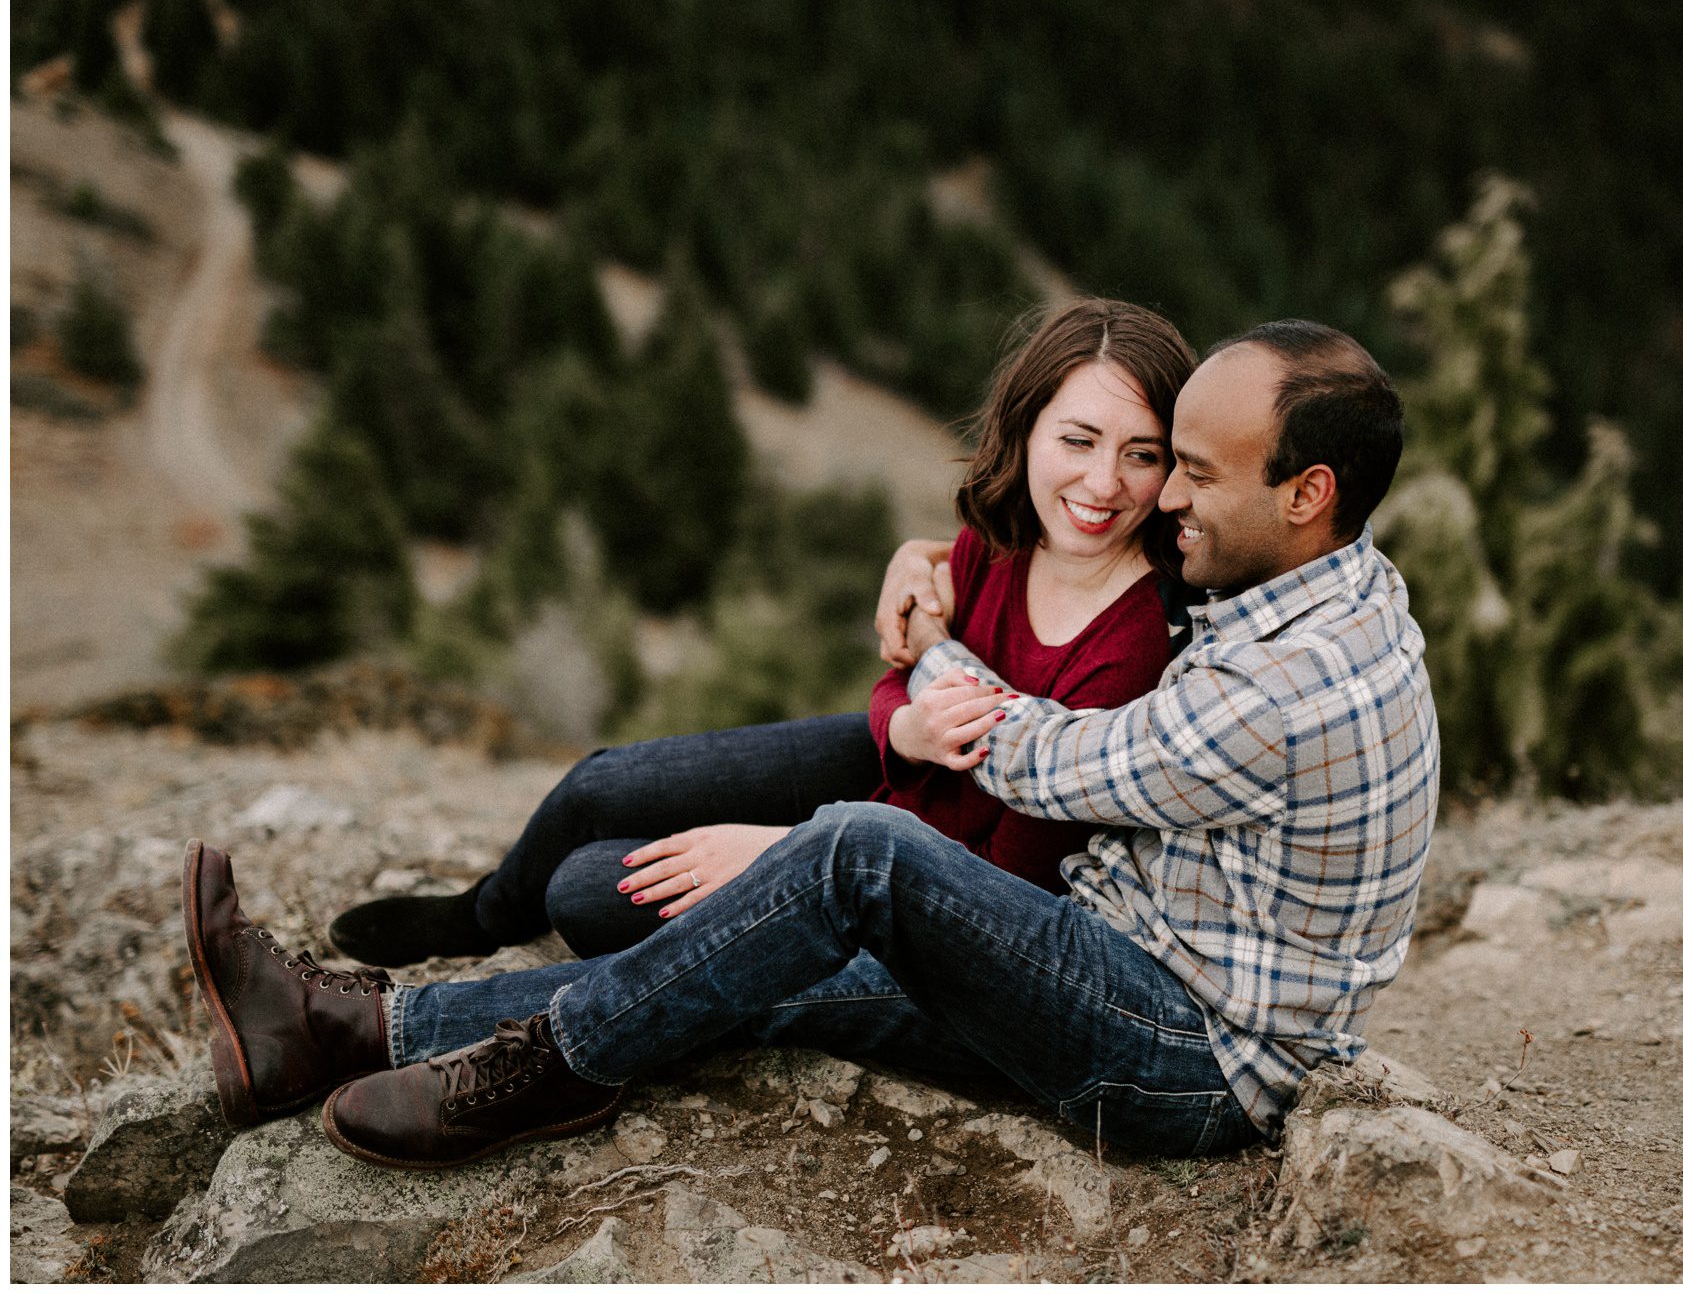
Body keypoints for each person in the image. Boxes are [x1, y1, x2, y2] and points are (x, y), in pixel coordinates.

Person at [182, 319, 1439, 1169]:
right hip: (1129, 961)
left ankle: (557, 1067)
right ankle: (347, 1032)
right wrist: (926, 568)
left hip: (1182, 1054)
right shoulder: (1324, 577)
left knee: (855, 855)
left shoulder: (1285, 685)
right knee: (762, 966)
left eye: (1188, 471)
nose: (1160, 498)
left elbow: (1028, 755)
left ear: (1306, 491)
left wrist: (928, 641)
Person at [326, 298, 1199, 963]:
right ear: (1029, 430)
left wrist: (786, 854)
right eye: (1078, 440)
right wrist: (905, 728)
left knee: (589, 892)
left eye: (1142, 454)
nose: (1103, 484)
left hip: (927, 881)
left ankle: (558, 915)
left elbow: (1003, 881)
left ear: (1174, 469)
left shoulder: (1129, 648)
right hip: (895, 777)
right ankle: (478, 918)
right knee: (599, 786)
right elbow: (901, 676)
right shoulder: (997, 542)